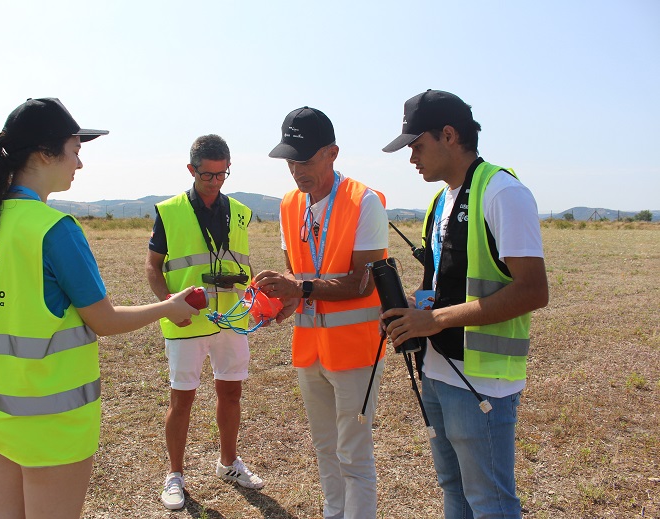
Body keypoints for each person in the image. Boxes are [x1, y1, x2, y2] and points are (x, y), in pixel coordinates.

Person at [0, 97, 198, 519]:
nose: (79, 165)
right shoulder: (55, 230)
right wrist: (170, 307)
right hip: (50, 423)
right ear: (45, 153)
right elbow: (103, 320)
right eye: (75, 151)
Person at [381, 90, 549, 519]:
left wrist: (433, 319)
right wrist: (411, 313)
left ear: (449, 135)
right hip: (437, 372)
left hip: (482, 383)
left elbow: (533, 291)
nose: (412, 158)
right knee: (454, 492)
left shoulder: (503, 193)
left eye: (416, 146)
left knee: (490, 502)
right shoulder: (441, 201)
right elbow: (444, 283)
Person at [254, 107, 388, 519]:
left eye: (306, 159)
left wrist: (301, 288)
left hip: (355, 350)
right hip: (310, 347)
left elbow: (362, 282)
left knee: (354, 454)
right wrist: (284, 297)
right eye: (291, 161)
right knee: (325, 449)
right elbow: (298, 270)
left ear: (332, 153)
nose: (297, 170)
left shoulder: (364, 201)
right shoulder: (290, 205)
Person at [146, 134, 265, 511]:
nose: (215, 182)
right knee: (182, 399)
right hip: (187, 322)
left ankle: (228, 464)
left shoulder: (241, 212)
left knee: (231, 393)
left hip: (231, 319)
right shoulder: (170, 211)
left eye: (222, 174)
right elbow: (152, 266)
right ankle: (175, 475)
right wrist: (169, 305)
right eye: (207, 175)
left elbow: (243, 265)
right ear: (191, 170)